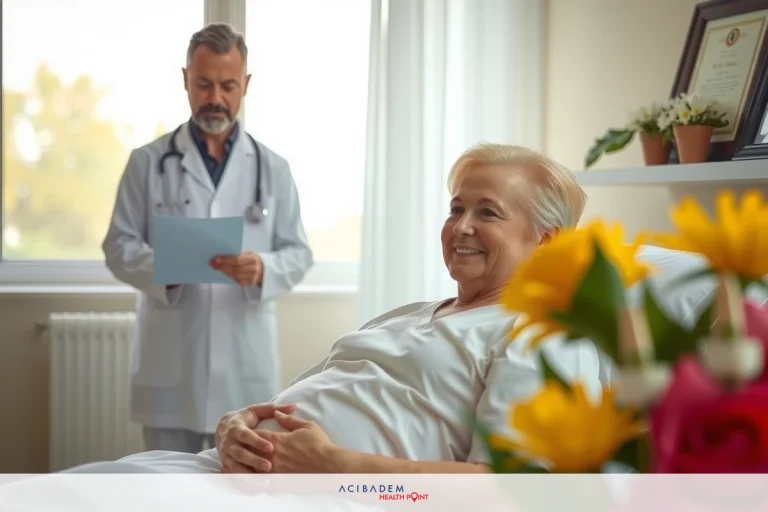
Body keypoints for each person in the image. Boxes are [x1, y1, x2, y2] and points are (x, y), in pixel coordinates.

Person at [82, 143, 598, 474]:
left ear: (547, 243)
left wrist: (337, 466)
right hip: (220, 469)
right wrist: (235, 425)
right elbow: (284, 406)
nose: (461, 227)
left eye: (487, 213)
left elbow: (507, 493)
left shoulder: (539, 335)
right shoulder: (407, 314)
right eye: (455, 208)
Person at [101, 23, 313, 454]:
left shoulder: (273, 168)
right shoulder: (147, 162)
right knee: (164, 490)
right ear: (185, 80)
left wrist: (263, 268)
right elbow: (117, 247)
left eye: (228, 85)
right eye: (204, 84)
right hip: (170, 372)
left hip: (243, 369)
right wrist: (168, 269)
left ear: (246, 85)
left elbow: (299, 253)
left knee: (239, 490)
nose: (215, 98)